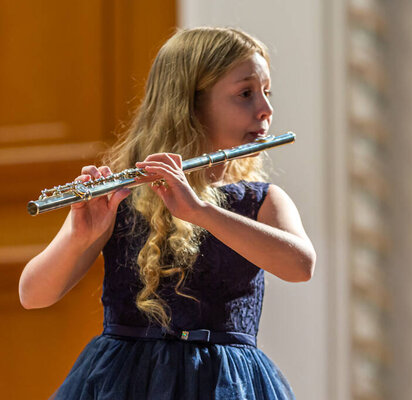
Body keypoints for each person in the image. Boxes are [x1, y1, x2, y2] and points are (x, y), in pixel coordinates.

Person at [19, 27, 316, 400]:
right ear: (190, 103)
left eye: (266, 92)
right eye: (245, 94)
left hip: (225, 383)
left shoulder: (262, 200)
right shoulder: (120, 196)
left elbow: (301, 266)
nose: (265, 110)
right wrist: (82, 235)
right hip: (123, 382)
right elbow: (33, 295)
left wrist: (201, 211)